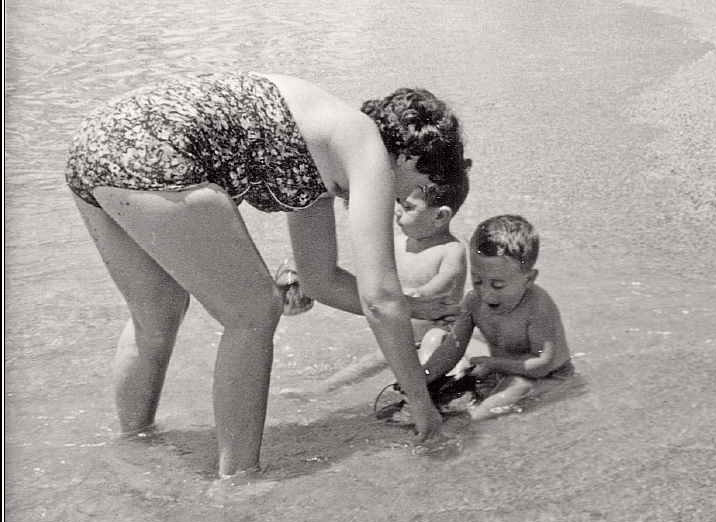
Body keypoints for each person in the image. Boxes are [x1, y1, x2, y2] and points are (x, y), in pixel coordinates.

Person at [66, 74, 471, 476]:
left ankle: (134, 445)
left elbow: (320, 279)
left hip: (94, 144)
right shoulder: (368, 147)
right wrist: (423, 407)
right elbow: (379, 299)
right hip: (152, 149)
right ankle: (238, 479)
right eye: (414, 188)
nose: (402, 201)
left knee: (158, 311)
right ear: (410, 158)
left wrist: (416, 307)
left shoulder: (322, 142)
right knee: (255, 312)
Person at [281, 169, 472, 399]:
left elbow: (446, 280)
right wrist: (315, 277)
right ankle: (325, 388)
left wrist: (419, 293)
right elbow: (372, 279)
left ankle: (425, 392)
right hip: (402, 330)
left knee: (392, 358)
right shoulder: (398, 242)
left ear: (440, 216)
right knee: (375, 358)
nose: (397, 211)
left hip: (436, 333)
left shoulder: (452, 248)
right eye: (398, 201)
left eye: (408, 207)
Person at [421, 216, 571, 421]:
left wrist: (494, 365)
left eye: (498, 285)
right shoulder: (473, 302)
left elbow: (543, 364)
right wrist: (423, 378)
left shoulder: (538, 306)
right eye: (477, 280)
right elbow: (452, 350)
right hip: (501, 367)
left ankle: (471, 420)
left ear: (529, 279)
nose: (486, 293)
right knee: (435, 336)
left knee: (518, 384)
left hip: (547, 377)